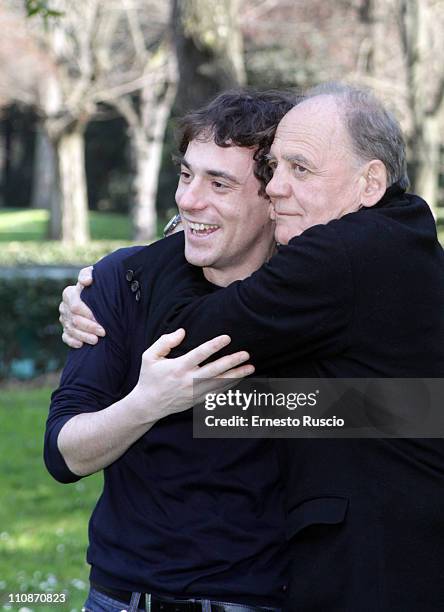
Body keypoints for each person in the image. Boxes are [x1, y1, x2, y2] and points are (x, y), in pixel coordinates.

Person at [63, 82, 444, 611]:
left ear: (369, 182)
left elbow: (191, 342)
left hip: (377, 569)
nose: (279, 188)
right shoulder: (403, 235)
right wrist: (121, 281)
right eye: (186, 175)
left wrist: (166, 257)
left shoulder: (339, 259)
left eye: (298, 170)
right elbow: (384, 407)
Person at [45, 90, 299, 612]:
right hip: (122, 597)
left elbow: (386, 413)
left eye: (219, 183)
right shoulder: (125, 280)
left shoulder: (316, 296)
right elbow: (64, 454)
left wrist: (217, 407)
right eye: (187, 175)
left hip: (263, 600)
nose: (188, 199)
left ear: (272, 196)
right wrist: (148, 403)